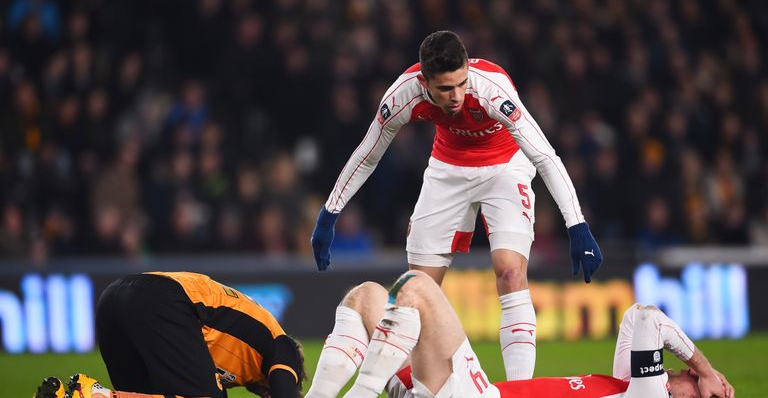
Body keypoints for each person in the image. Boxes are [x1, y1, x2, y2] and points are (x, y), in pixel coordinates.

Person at [311, 30, 602, 380]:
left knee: (510, 272)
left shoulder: (491, 88)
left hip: (505, 167)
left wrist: (577, 225)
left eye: (462, 84)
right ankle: (423, 388)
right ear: (425, 82)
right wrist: (329, 213)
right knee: (416, 292)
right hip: (447, 170)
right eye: (446, 89)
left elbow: (544, 155)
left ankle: (520, 390)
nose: (457, 96)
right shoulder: (402, 94)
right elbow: (367, 155)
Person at [305, 271, 734, 398]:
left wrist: (707, 368)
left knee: (417, 289)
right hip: (459, 393)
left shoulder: (651, 397)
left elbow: (646, 318)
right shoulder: (629, 387)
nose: (685, 375)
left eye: (693, 385)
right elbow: (632, 321)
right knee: (365, 297)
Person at [34, 272, 305, 398]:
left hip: (115, 300)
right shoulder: (282, 347)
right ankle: (92, 395)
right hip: (163, 301)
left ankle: (70, 395)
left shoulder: (241, 361)